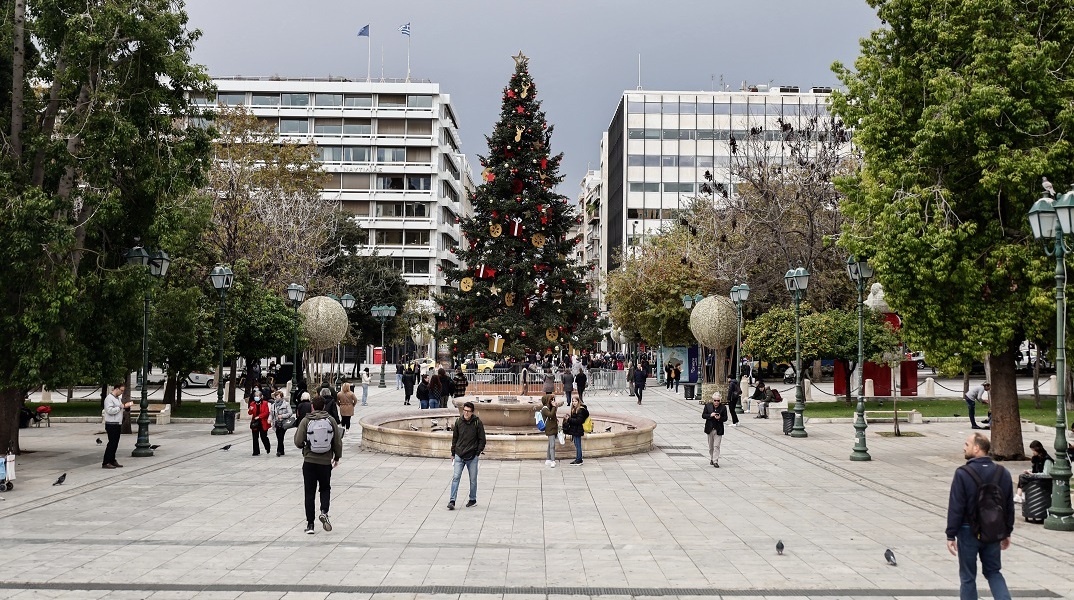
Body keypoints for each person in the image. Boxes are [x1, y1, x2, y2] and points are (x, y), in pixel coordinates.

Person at [946, 432, 1014, 600]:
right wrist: (1007, 532)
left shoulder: (962, 473)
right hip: (993, 530)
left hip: (967, 530)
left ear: (976, 448)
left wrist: (951, 534)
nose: (964, 447)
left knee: (968, 576)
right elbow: (1008, 506)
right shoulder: (1002, 473)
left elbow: (956, 506)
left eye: (967, 444)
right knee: (994, 572)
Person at [294, 395, 343, 535]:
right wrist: (337, 457)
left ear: (312, 406)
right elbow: (337, 441)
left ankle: (310, 524)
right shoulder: (330, 420)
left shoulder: (306, 420)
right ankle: (324, 512)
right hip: (325, 462)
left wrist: (305, 446)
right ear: (324, 406)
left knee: (309, 493)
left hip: (309, 461)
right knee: (325, 488)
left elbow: (298, 441)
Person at [448, 401, 486, 510]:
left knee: (473, 479)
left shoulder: (477, 423)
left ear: (472, 412)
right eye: (464, 410)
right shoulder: (459, 422)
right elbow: (455, 438)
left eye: (468, 411)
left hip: (472, 456)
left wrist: (477, 452)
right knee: (456, 477)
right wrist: (453, 453)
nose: (466, 413)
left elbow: (482, 439)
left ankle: (472, 499)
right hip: (459, 454)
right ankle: (452, 500)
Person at [102, 384, 132, 469]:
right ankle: (106, 462)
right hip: (111, 423)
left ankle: (112, 460)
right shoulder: (109, 398)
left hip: (117, 423)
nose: (122, 392)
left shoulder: (118, 398)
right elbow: (109, 410)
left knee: (115, 443)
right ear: (116, 389)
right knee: (112, 443)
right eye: (121, 390)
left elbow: (120, 407)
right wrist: (120, 407)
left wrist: (125, 407)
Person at [703, 391, 728, 468]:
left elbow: (725, 418)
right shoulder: (708, 406)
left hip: (718, 429)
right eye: (715, 400)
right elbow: (703, 415)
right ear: (712, 400)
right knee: (711, 446)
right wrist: (710, 415)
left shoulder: (723, 407)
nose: (716, 402)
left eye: (718, 401)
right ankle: (712, 458)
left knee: (716, 446)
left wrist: (720, 418)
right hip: (710, 428)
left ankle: (715, 461)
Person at [563, 396, 589, 465]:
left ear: (578, 402)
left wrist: (569, 419)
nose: (574, 403)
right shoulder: (575, 409)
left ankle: (579, 460)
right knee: (576, 444)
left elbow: (579, 421)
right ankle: (578, 459)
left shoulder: (580, 410)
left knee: (578, 445)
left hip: (578, 429)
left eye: (575, 401)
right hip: (575, 429)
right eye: (573, 401)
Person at [540, 394, 564, 468]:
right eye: (551, 400)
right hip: (549, 429)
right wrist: (554, 406)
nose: (552, 401)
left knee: (550, 444)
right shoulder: (545, 409)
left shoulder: (550, 408)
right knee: (552, 445)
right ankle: (553, 461)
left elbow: (553, 415)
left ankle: (548, 459)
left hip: (553, 428)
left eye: (553, 400)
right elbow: (550, 415)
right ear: (547, 400)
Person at [270, 389, 293, 456]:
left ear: (281, 397)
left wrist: (282, 416)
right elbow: (271, 414)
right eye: (276, 396)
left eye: (279, 396)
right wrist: (270, 420)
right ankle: (282, 450)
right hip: (276, 423)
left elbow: (290, 413)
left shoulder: (286, 404)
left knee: (280, 436)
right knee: (279, 437)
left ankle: (279, 451)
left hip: (283, 423)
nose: (277, 397)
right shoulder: (273, 405)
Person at [248, 390, 271, 456]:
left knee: (263, 436)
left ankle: (267, 447)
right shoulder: (252, 403)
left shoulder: (265, 403)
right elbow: (249, 413)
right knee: (255, 437)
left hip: (262, 422)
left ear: (261, 397)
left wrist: (259, 416)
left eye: (258, 396)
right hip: (255, 422)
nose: (256, 397)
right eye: (255, 396)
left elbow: (266, 412)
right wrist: (250, 410)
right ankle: (256, 451)